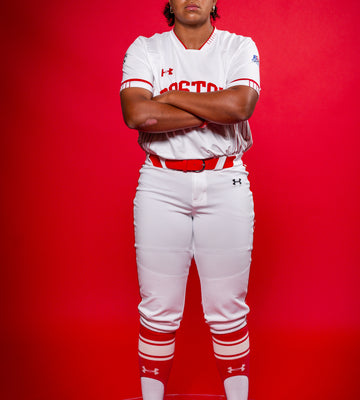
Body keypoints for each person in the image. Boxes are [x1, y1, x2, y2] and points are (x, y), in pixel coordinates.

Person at [120, 1, 260, 399]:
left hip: (225, 179)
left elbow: (239, 107)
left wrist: (171, 97)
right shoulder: (146, 48)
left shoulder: (238, 46)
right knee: (158, 309)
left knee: (228, 309)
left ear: (216, 2)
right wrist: (211, 111)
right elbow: (137, 114)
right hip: (161, 182)